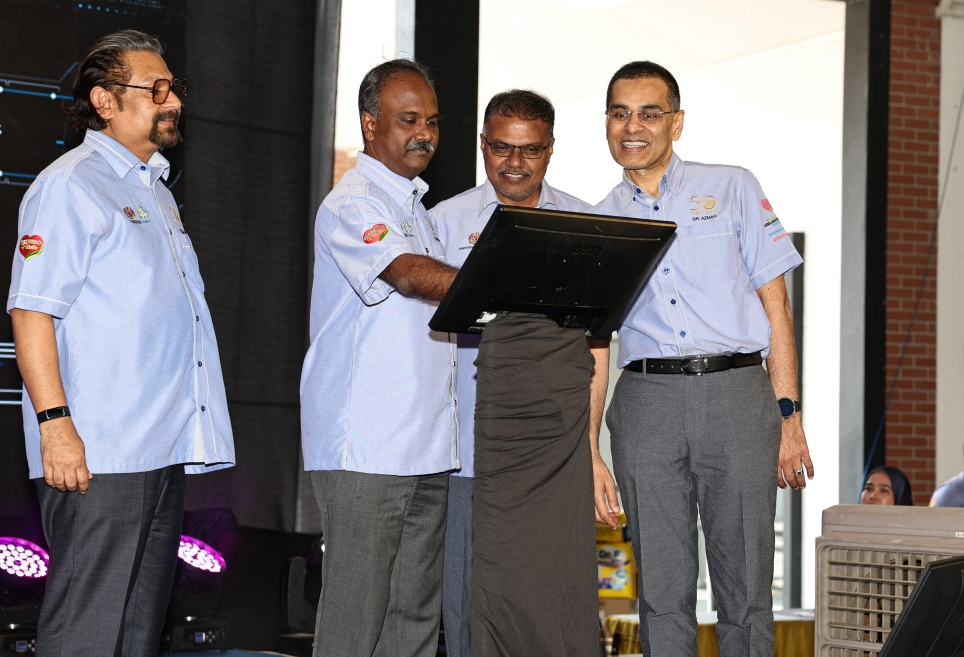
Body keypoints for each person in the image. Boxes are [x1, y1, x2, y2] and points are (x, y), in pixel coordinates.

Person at [7, 31, 234, 656]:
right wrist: (55, 425)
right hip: (99, 455)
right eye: (155, 88)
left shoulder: (154, 191)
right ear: (104, 101)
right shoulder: (72, 185)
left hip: (158, 450)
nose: (172, 101)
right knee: (87, 630)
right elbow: (31, 313)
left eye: (175, 89)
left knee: (136, 634)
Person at [595, 61, 813, 657]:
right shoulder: (598, 221)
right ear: (607, 124)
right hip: (644, 404)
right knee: (661, 597)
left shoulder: (734, 186)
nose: (633, 127)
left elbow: (778, 313)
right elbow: (594, 344)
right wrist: (590, 449)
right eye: (620, 113)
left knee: (745, 593)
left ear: (677, 122)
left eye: (649, 112)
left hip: (737, 396)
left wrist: (788, 417)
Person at [429, 89, 610, 657]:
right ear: (483, 147)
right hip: (467, 456)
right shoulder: (441, 223)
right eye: (501, 149)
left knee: (553, 606)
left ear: (550, 150)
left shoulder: (587, 224)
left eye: (529, 150)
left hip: (555, 457)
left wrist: (590, 448)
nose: (514, 163)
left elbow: (597, 345)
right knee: (468, 613)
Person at [300, 59, 460, 657]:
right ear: (371, 125)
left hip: (426, 444)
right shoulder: (355, 201)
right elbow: (407, 274)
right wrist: (499, 281)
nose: (424, 133)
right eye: (408, 120)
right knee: (355, 620)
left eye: (433, 122)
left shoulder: (418, 209)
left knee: (414, 619)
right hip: (364, 446)